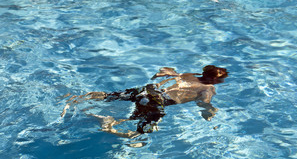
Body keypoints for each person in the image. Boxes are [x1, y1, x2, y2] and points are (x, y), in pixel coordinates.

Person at [61, 65, 228, 139]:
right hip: (156, 101)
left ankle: (76, 98)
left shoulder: (188, 74)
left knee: (108, 95)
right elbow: (204, 104)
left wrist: (163, 73)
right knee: (139, 134)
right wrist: (210, 112)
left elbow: (168, 72)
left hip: (147, 90)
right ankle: (109, 123)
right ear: (214, 79)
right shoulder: (208, 89)